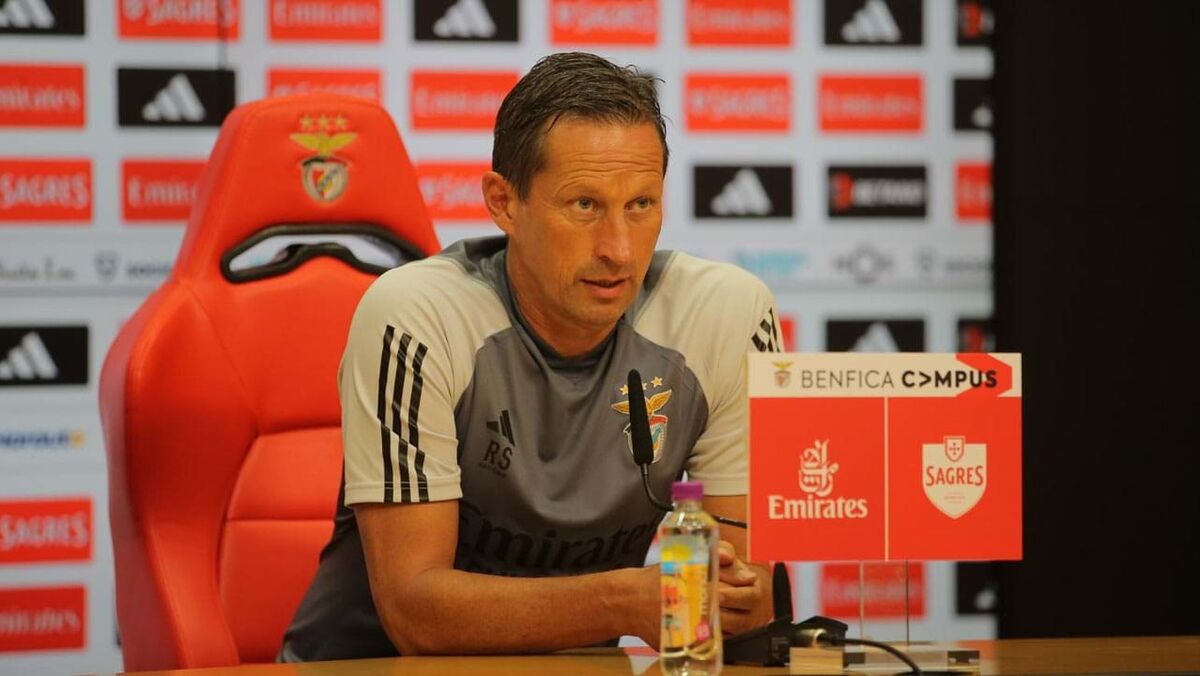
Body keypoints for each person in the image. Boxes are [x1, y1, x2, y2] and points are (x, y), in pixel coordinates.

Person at [280, 51, 783, 661]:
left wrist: (738, 594)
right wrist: (624, 602)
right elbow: (414, 613)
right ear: (503, 202)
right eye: (585, 206)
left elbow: (742, 593)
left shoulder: (727, 316)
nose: (619, 251)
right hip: (368, 669)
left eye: (641, 205)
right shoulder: (416, 317)